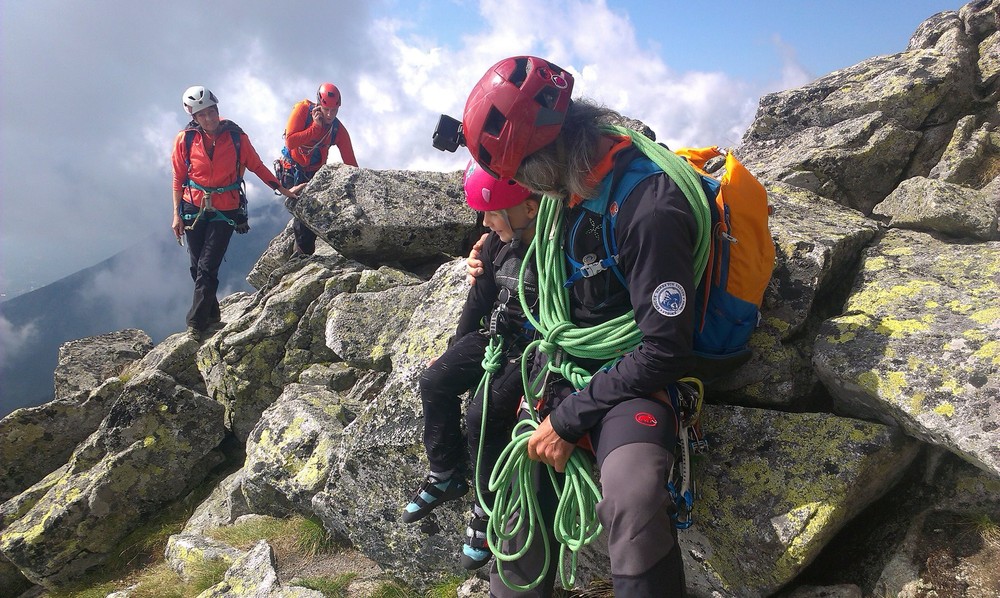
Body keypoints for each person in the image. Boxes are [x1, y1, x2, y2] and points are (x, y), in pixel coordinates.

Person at [458, 56, 695, 596]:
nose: (517, 186)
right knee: (518, 494)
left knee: (632, 498)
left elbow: (665, 350)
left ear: (545, 154)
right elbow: (541, 257)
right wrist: (486, 250)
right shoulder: (565, 191)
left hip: (636, 374)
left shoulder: (647, 208)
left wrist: (568, 419)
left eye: (518, 174)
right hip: (563, 367)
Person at [401, 160, 541, 570]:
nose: (486, 220)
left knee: (483, 413)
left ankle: (487, 507)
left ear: (529, 207)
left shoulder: (555, 244)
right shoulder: (496, 242)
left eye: (493, 211)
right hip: (496, 335)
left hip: (532, 347)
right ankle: (445, 472)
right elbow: (479, 300)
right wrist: (455, 347)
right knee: (434, 380)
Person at [171, 85, 297, 340]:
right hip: (192, 207)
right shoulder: (185, 140)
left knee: (207, 266)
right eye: (202, 115)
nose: (209, 118)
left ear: (217, 109)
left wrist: (284, 190)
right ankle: (213, 315)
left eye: (211, 112)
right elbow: (178, 178)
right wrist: (175, 214)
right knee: (196, 268)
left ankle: (195, 324)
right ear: (194, 118)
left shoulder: (237, 138)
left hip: (225, 209)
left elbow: (258, 167)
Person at [275, 82, 359, 255]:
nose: (329, 114)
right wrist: (315, 128)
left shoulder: (337, 129)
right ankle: (302, 254)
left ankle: (302, 253)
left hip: (313, 172)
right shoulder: (302, 110)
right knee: (302, 212)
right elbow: (290, 141)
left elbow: (350, 161)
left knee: (308, 219)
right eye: (326, 109)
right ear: (318, 104)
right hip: (292, 168)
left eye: (334, 111)